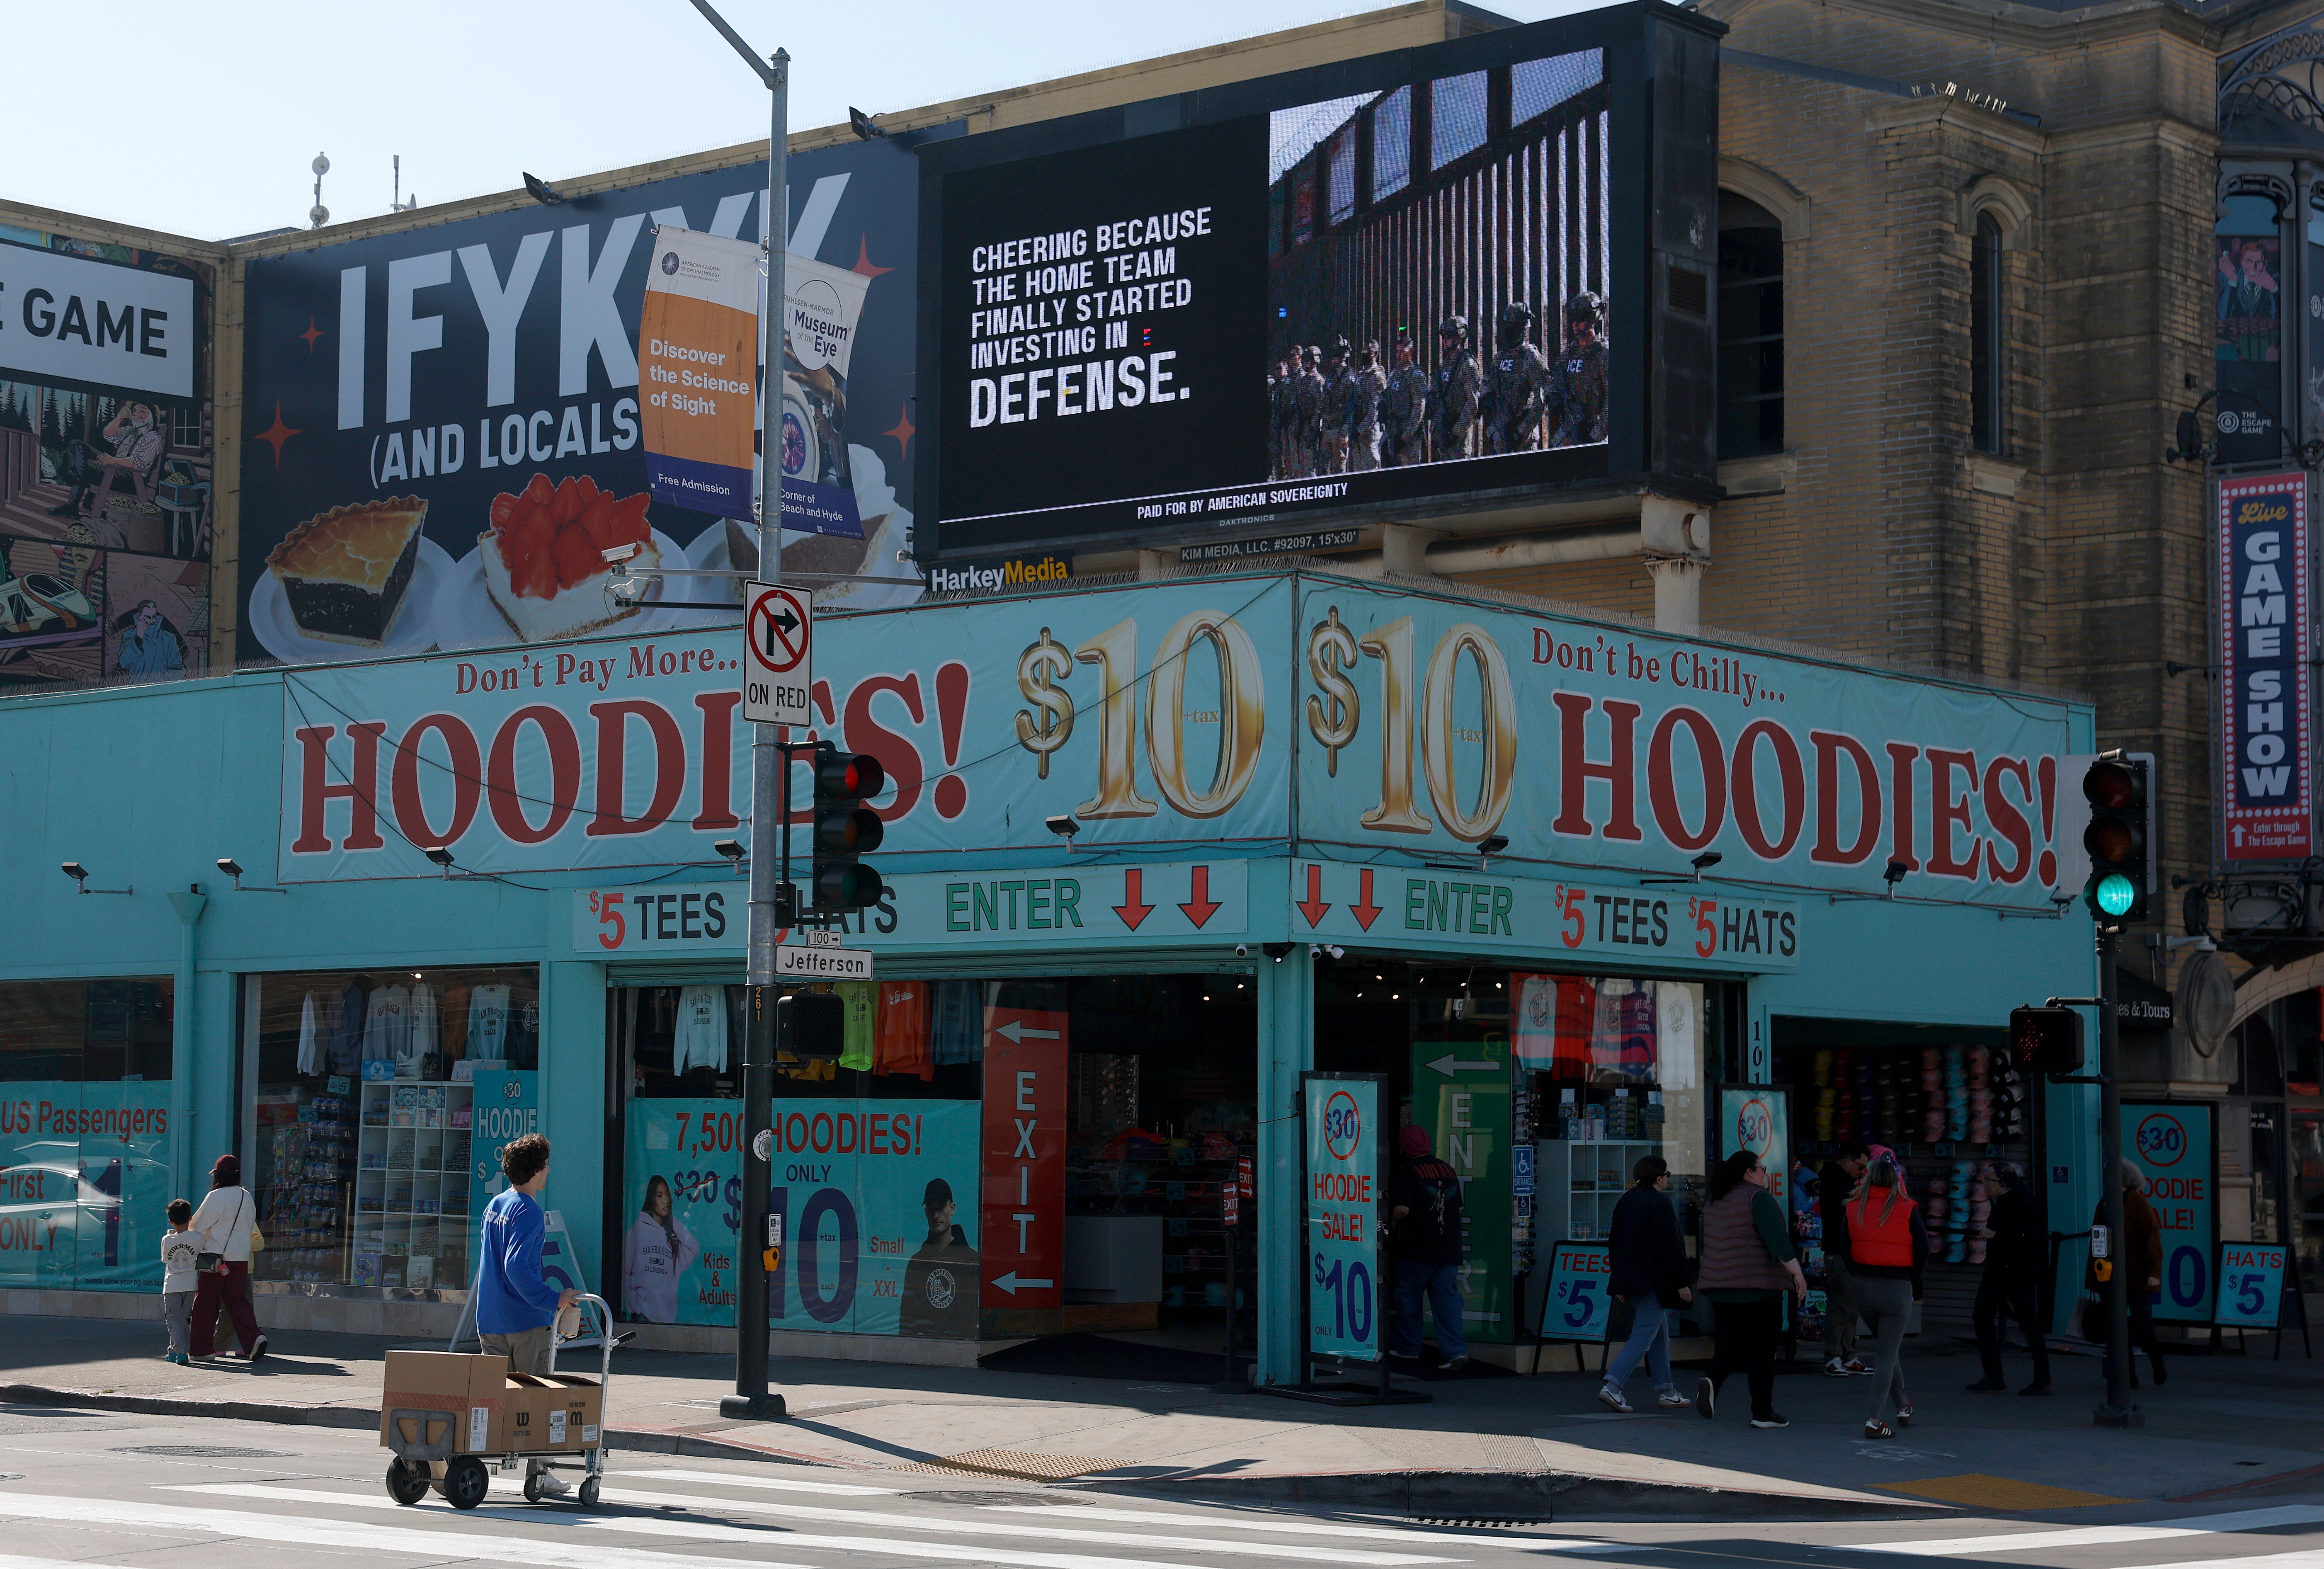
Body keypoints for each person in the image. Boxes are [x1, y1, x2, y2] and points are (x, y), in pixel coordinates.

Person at [480, 1132, 580, 1494]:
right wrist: (553, 1299)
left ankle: (479, 1459)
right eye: (547, 1164)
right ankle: (539, 1473)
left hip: (490, 1319)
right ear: (537, 1170)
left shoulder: (496, 1205)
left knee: (494, 1399)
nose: (550, 1170)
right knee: (537, 1398)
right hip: (524, 1322)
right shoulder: (530, 1211)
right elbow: (517, 1269)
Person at [1694, 1148, 1807, 1428]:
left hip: (1720, 1288)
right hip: (1758, 1288)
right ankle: (1762, 1412)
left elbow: (1703, 1247)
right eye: (1762, 1169)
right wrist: (1798, 1274)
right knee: (1762, 1351)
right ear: (1749, 1172)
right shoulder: (1759, 1199)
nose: (1764, 1174)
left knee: (1730, 1345)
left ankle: (1712, 1380)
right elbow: (1778, 1241)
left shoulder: (1714, 1202)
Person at [1599, 1154, 1693, 1412]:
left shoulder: (1626, 1200)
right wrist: (1682, 1283)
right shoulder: (1660, 1203)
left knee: (1659, 1335)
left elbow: (1616, 1244)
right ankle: (1613, 1386)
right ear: (1660, 1178)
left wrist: (1620, 1284)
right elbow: (1670, 1247)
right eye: (1666, 1176)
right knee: (1642, 1337)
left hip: (1631, 1281)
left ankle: (1667, 1391)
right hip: (1655, 1282)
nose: (1666, 1180)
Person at [1850, 1151, 1930, 1439]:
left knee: (1888, 1346)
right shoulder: (1907, 1208)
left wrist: (1855, 1272)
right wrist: (1914, 1278)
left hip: (1862, 1284)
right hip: (1896, 1286)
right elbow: (1923, 1248)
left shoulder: (1854, 1207)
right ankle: (1874, 1418)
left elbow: (1842, 1245)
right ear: (1897, 1181)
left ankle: (1903, 1405)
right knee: (1886, 1353)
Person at [1966, 1160, 2051, 1395]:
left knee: (2029, 1324)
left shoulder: (2023, 1202)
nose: (1984, 1187)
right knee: (1982, 1317)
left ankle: (2043, 1379)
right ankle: (1994, 1377)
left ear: (2001, 1183)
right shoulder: (2003, 1200)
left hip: (2018, 1273)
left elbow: (2027, 1239)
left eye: (1988, 1182)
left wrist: (1997, 1235)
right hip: (1997, 1270)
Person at [1388, 1123, 1468, 1370]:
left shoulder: (1407, 1171)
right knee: (1446, 1301)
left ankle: (1408, 1348)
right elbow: (1460, 1207)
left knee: (1409, 1299)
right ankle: (1455, 1352)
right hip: (1449, 1248)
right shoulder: (1447, 1168)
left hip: (1418, 1248)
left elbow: (1402, 1209)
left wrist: (1391, 1220)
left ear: (1404, 1146)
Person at [2090, 1158, 2166, 1388]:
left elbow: (2152, 1239)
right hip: (2111, 1274)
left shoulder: (2139, 1204)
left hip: (2138, 1275)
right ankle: (2128, 1377)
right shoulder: (2105, 1203)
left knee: (2143, 1324)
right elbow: (2098, 1236)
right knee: (2116, 1326)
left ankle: (2156, 1359)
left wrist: (2154, 1272)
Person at [189, 1154, 265, 1363]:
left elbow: (196, 1226)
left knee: (205, 1303)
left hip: (215, 1259)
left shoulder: (216, 1196)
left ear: (218, 1175)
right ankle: (254, 1338)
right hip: (241, 1259)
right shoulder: (246, 1197)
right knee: (238, 1302)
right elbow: (250, 1227)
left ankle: (202, 1350)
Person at [48, 402, 165, 521]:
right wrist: (119, 417)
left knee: (83, 467)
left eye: (142, 411)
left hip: (130, 478)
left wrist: (114, 460)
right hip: (115, 469)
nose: (137, 413)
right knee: (78, 445)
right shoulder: (130, 431)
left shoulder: (153, 438)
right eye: (135, 410)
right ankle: (75, 492)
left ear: (150, 416)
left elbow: (138, 462)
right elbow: (108, 435)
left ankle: (73, 500)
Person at [900, 1177, 981, 1337]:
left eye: (941, 1207)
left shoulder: (972, 1260)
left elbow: (976, 1314)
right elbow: (907, 1318)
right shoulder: (918, 1262)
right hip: (922, 1349)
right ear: (925, 1213)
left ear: (953, 1208)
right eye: (931, 1208)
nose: (936, 1215)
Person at [1818, 1140, 1872, 1376]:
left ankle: (1848, 1355)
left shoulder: (1844, 1181)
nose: (1862, 1172)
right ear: (1848, 1161)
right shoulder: (1835, 1181)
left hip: (1850, 1249)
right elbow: (1843, 1215)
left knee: (1851, 1305)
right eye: (1860, 1166)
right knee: (1841, 1304)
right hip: (1839, 1250)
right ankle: (1834, 1357)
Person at [620, 1174, 699, 1324]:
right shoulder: (637, 1231)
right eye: (660, 1196)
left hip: (668, 1320)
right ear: (651, 1199)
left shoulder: (671, 1235)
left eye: (668, 1195)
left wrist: (671, 1219)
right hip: (643, 1318)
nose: (666, 1201)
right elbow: (624, 1272)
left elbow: (693, 1248)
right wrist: (635, 1306)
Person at [1482, 301, 1554, 453]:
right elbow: (1488, 381)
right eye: (1507, 329)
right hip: (1500, 433)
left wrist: (1521, 429)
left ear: (1522, 330)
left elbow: (1542, 398)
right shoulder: (1501, 357)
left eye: (1512, 329)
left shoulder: (1531, 357)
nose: (1508, 334)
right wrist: (1487, 395)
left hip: (1522, 437)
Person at [1550, 293, 1609, 446]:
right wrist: (1554, 396)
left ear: (1593, 320)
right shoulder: (1570, 353)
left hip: (1594, 432)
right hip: (1570, 427)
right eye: (1574, 319)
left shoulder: (1604, 353)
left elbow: (1613, 399)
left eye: (1581, 319)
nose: (1575, 324)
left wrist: (1596, 434)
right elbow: (1554, 380)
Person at [1431, 316, 1482, 461]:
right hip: (1444, 432)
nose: (1445, 340)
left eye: (1449, 336)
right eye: (1444, 336)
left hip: (1459, 435)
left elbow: (1473, 404)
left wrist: (1456, 432)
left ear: (1460, 337)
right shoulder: (1444, 366)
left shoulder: (1468, 365)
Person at [160, 1198, 200, 1367]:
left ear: (171, 1221)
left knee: (173, 1320)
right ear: (191, 1218)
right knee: (183, 1320)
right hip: (191, 1284)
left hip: (172, 1285)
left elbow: (165, 1260)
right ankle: (173, 1350)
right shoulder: (198, 1238)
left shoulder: (167, 1240)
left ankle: (181, 1352)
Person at [1382, 330, 1430, 466]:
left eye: (1402, 352)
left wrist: (1405, 437)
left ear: (1410, 352)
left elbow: (1418, 410)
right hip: (1393, 433)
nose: (1399, 356)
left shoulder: (1417, 376)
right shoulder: (1393, 375)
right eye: (1398, 352)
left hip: (1410, 437)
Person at [116, 599, 185, 677]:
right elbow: (124, 663)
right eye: (148, 617)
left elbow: (178, 668)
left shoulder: (168, 638)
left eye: (154, 617)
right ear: (139, 616)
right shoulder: (130, 636)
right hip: (138, 687)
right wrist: (138, 638)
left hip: (162, 687)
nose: (152, 621)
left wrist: (162, 681)